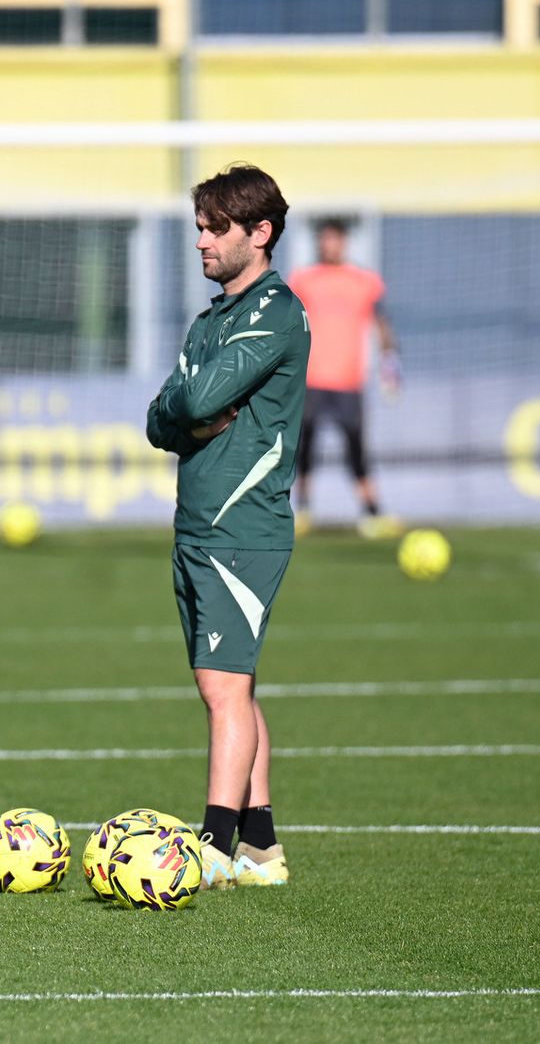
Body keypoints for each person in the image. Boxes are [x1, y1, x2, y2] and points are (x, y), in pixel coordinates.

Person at [145, 164, 309, 891]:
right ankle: (262, 850)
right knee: (232, 686)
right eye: (200, 227)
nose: (203, 241)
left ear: (261, 233)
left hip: (245, 528)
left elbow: (201, 391)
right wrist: (188, 410)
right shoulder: (210, 319)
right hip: (198, 527)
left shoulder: (276, 311)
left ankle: (211, 844)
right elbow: (160, 418)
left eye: (217, 229)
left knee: (222, 688)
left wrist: (190, 402)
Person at [286, 217, 401, 539]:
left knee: (356, 448)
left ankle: (371, 513)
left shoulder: (365, 282)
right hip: (311, 379)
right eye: (324, 240)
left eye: (334, 239)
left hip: (349, 381)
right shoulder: (303, 280)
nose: (328, 245)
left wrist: (390, 365)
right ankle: (303, 509)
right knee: (305, 446)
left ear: (344, 243)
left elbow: (381, 324)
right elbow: (289, 322)